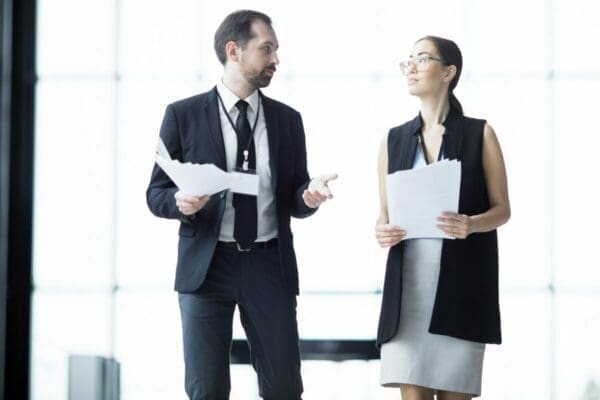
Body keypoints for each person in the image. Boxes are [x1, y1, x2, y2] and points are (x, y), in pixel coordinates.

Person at [146, 10, 336, 400]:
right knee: (206, 389)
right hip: (206, 267)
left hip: (268, 264)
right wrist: (180, 202)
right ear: (234, 50)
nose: (276, 60)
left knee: (284, 387)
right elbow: (155, 194)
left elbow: (293, 197)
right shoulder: (182, 115)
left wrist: (308, 196)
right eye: (267, 49)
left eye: (276, 50)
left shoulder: (287, 120)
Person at [374, 36, 511, 400]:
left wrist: (471, 224)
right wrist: (382, 231)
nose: (412, 68)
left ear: (448, 72)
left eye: (422, 59)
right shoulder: (393, 140)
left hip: (461, 287)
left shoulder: (480, 133)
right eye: (408, 61)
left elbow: (502, 209)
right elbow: (383, 218)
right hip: (408, 291)